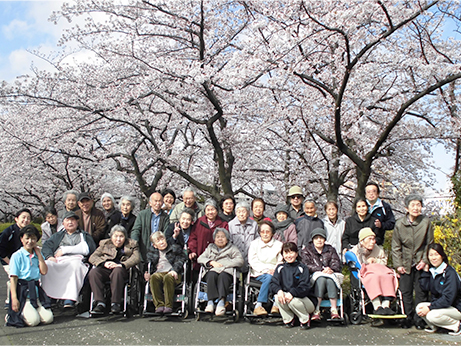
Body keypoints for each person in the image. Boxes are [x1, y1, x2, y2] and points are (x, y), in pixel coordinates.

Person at [392, 193, 433, 329]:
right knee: (405, 291)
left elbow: (429, 243)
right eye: (413, 205)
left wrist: (425, 260)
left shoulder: (426, 222)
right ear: (406, 208)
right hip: (405, 261)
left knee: (421, 291)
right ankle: (407, 317)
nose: (416, 208)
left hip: (421, 261)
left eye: (418, 205)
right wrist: (398, 265)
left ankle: (420, 319)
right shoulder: (399, 224)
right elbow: (396, 246)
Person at [41, 211, 97, 308]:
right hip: (60, 260)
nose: (70, 222)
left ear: (77, 222)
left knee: (75, 266)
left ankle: (69, 299)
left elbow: (91, 250)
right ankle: (49, 297)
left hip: (77, 260)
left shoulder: (84, 236)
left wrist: (65, 250)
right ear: (63, 223)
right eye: (68, 220)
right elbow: (46, 246)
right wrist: (50, 257)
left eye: (73, 220)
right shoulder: (57, 236)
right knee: (47, 265)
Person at [6, 225, 53, 327]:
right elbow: (13, 279)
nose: (30, 241)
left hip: (36, 292)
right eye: (27, 238)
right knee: (34, 321)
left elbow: (44, 271)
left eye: (33, 238)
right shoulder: (17, 256)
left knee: (49, 318)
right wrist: (14, 298)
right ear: (21, 239)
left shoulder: (37, 255)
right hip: (23, 292)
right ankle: (18, 314)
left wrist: (39, 255)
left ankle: (33, 311)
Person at [88, 225, 140, 314]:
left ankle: (115, 303)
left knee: (117, 271)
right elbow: (93, 257)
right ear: (111, 237)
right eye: (116, 236)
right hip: (106, 268)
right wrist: (104, 263)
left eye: (121, 236)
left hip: (122, 270)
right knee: (94, 272)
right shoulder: (104, 243)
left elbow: (136, 258)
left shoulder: (132, 244)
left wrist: (122, 265)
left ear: (125, 237)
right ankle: (100, 302)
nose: (118, 239)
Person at [416, 243, 461, 336]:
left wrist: (430, 307)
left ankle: (457, 326)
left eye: (436, 254)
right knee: (419, 307)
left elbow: (448, 299)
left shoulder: (449, 273)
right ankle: (436, 327)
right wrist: (425, 271)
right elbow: (425, 287)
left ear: (442, 256)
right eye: (431, 255)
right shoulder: (433, 271)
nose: (434, 258)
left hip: (456, 308)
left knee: (432, 315)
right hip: (443, 307)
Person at [350, 228, 397, 315]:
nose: (373, 242)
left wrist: (375, 260)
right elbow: (357, 265)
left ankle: (386, 305)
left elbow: (384, 261)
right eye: (370, 239)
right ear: (362, 241)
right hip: (367, 273)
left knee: (388, 276)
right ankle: (377, 306)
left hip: (380, 271)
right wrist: (367, 263)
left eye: (373, 239)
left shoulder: (378, 249)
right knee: (373, 278)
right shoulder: (355, 251)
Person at [197, 228, 244, 316]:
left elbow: (240, 261)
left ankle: (221, 303)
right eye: (218, 237)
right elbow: (200, 258)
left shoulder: (232, 248)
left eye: (223, 237)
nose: (220, 239)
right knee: (211, 275)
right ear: (214, 239)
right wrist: (211, 262)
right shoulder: (210, 247)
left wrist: (223, 265)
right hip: (212, 270)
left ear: (227, 239)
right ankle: (210, 303)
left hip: (226, 271)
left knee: (223, 276)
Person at [270, 242, 316, 329]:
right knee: (277, 297)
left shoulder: (303, 268)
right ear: (282, 255)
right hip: (288, 299)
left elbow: (304, 287)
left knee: (293, 300)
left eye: (291, 252)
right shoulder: (280, 268)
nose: (289, 255)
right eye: (286, 253)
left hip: (305, 301)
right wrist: (279, 291)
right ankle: (289, 319)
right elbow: (273, 283)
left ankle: (305, 319)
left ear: (296, 253)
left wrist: (292, 293)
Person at [301, 228, 342, 320]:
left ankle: (334, 310)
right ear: (312, 240)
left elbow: (335, 262)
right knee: (321, 279)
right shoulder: (306, 250)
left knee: (330, 280)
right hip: (314, 276)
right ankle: (317, 309)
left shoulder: (331, 249)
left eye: (321, 238)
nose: (319, 240)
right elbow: (306, 265)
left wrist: (331, 269)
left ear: (325, 239)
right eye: (316, 238)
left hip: (330, 274)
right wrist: (321, 269)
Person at [144, 231, 186, 314]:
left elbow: (181, 260)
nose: (161, 242)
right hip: (158, 273)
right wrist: (146, 272)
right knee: (154, 277)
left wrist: (174, 270)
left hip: (172, 273)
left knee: (168, 277)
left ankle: (168, 306)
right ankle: (159, 305)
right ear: (154, 245)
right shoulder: (152, 252)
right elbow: (147, 263)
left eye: (162, 239)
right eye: (158, 241)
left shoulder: (174, 248)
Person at [248, 220, 283, 316]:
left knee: (277, 277)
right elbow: (252, 260)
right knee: (269, 277)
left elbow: (280, 261)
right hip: (258, 272)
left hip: (275, 271)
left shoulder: (279, 245)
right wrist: (265, 270)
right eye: (262, 232)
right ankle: (259, 305)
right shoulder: (254, 244)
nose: (265, 234)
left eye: (268, 231)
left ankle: (276, 305)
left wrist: (275, 270)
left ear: (272, 232)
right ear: (259, 233)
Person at [0, 208, 32, 308]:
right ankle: (9, 300)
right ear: (16, 219)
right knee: (14, 277)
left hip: (24, 260)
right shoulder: (8, 232)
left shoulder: (29, 231)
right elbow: (1, 250)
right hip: (8, 260)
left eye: (28, 218)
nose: (25, 220)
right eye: (23, 217)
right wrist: (10, 263)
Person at [188, 199, 228, 272]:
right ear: (205, 211)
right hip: (200, 256)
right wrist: (193, 250)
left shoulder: (223, 224)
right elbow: (193, 238)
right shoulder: (199, 222)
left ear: (217, 211)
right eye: (208, 210)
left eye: (212, 209)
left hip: (217, 258)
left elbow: (226, 241)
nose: (210, 212)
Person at [131, 192, 170, 262]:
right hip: (144, 247)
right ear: (150, 203)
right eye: (155, 201)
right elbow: (136, 230)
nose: (158, 203)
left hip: (159, 249)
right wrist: (134, 242)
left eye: (160, 201)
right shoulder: (142, 214)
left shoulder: (165, 217)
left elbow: (166, 232)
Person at [228, 201, 259, 273]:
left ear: (248, 213)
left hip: (249, 257)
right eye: (239, 212)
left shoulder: (254, 224)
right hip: (235, 258)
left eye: (243, 211)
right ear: (235, 213)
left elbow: (257, 240)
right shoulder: (231, 224)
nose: (241, 214)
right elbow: (229, 242)